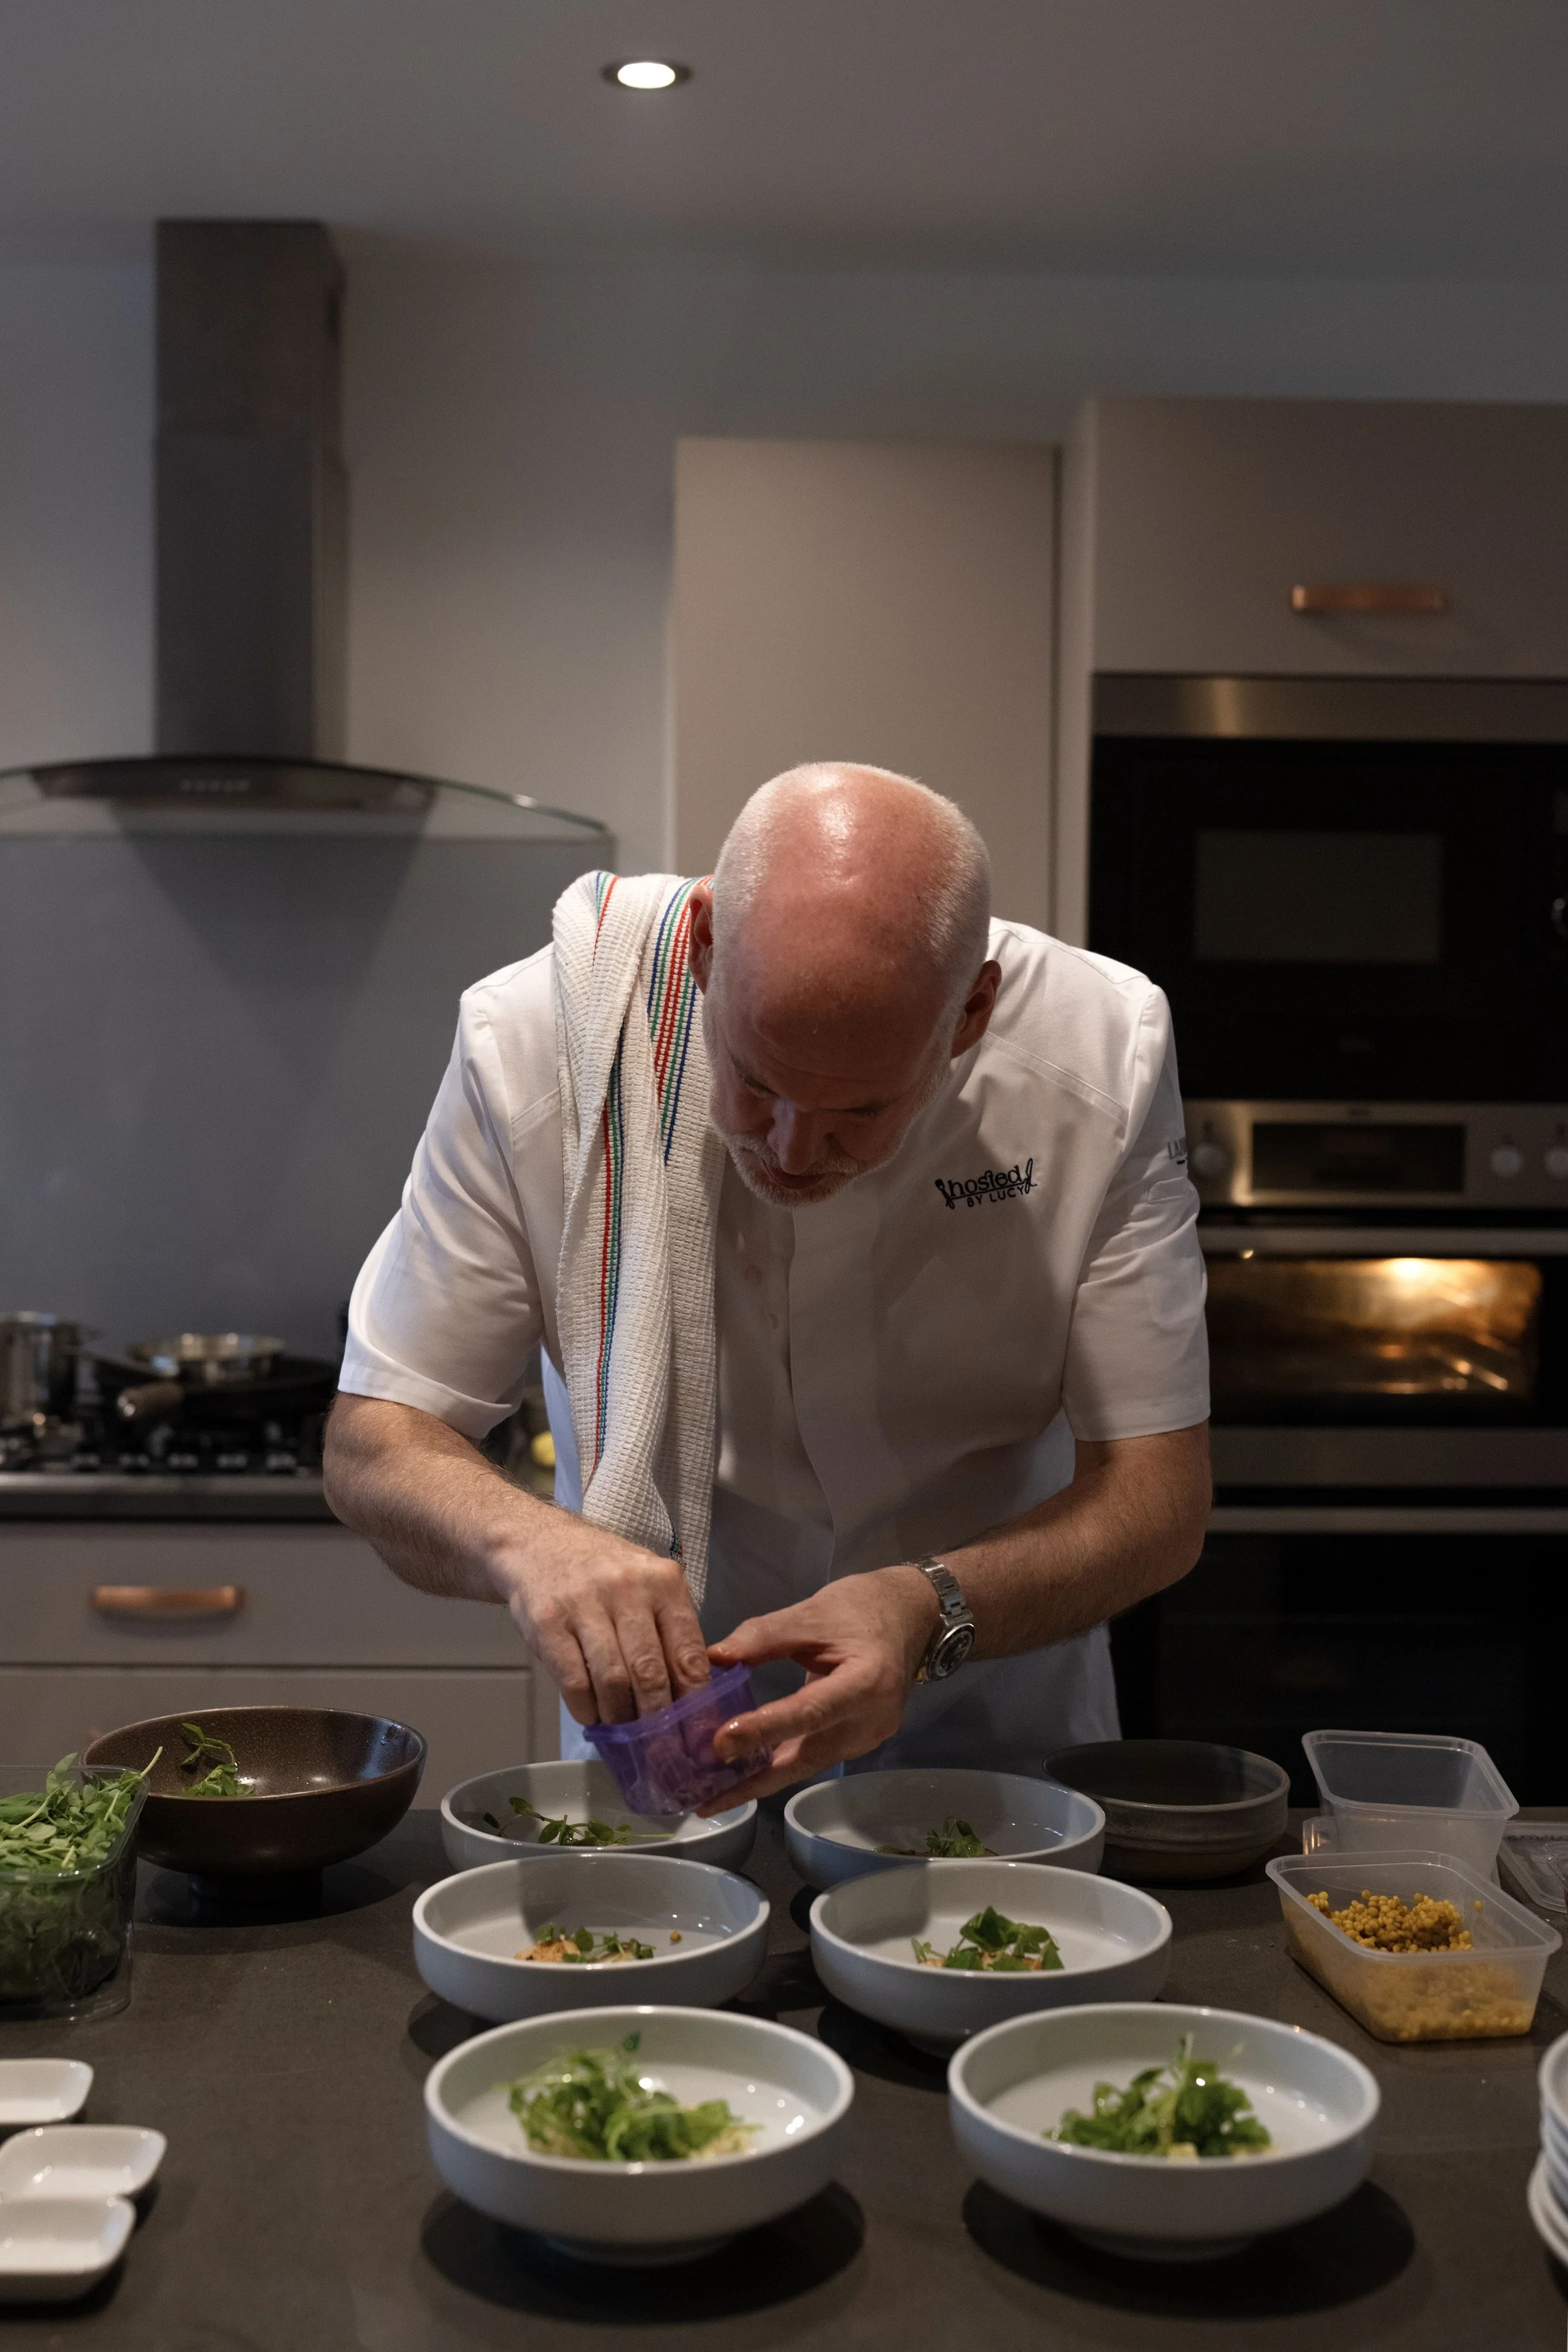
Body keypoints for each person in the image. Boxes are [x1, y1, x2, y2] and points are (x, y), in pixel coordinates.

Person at [324, 763, 1210, 1799]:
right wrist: (533, 1545)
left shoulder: (1103, 1055)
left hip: (990, 1744)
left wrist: (925, 1609)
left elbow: (1157, 1495)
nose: (791, 1149)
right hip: (669, 1748)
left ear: (971, 1013)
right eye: (753, 1079)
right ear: (703, 946)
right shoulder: (537, 1046)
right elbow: (375, 1440)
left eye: (861, 1111)